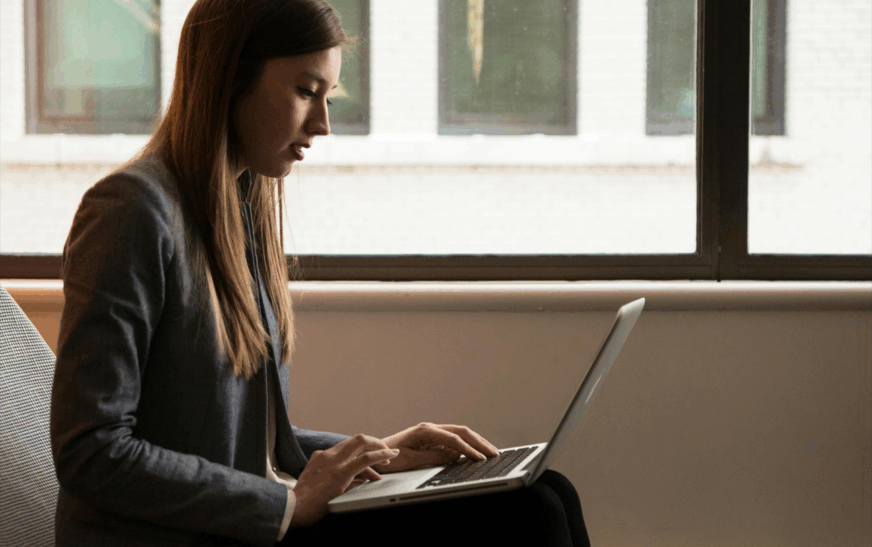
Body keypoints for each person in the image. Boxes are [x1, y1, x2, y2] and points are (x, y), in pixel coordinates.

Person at [49, 0, 592, 545]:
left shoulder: (240, 205)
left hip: (252, 518)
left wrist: (382, 453)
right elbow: (91, 451)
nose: (324, 124)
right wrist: (290, 501)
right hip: (182, 533)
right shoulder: (129, 211)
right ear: (228, 78)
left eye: (328, 97)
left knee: (548, 492)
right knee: (530, 517)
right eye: (306, 91)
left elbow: (242, 444)